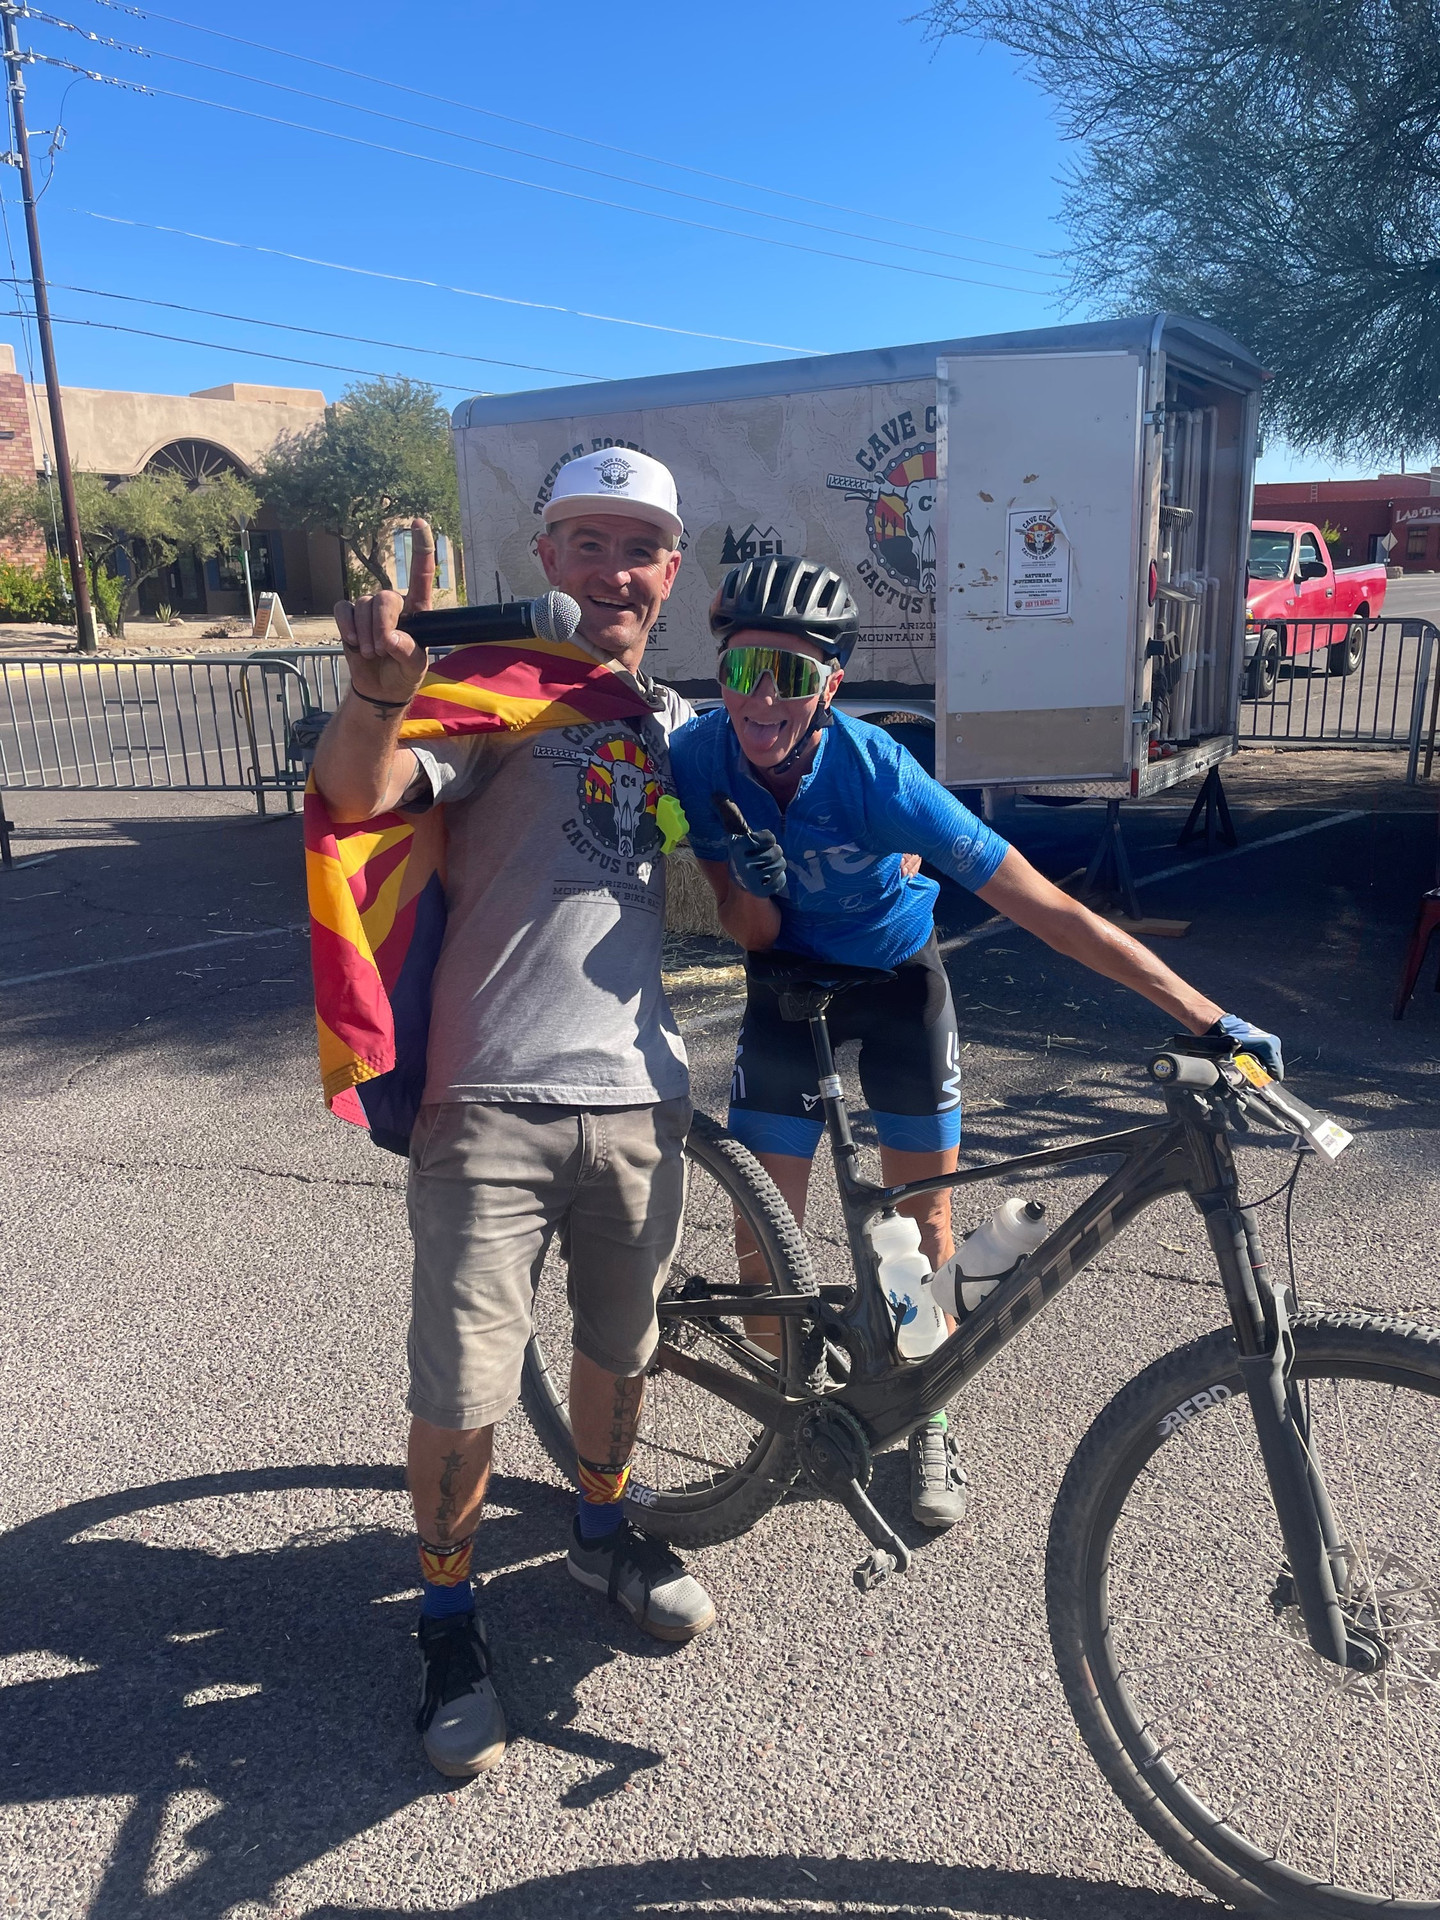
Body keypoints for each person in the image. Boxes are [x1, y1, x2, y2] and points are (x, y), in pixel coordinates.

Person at [668, 554, 1283, 1529]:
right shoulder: (700, 760)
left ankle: (928, 1415)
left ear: (830, 684)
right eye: (744, 669)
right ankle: (791, 1419)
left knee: (922, 1233)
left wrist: (1206, 1016)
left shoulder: (877, 773)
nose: (762, 698)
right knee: (762, 1240)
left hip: (898, 984)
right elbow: (749, 932)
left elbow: (1044, 908)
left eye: (790, 673)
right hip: (785, 985)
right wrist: (744, 881)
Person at [312, 450, 714, 1782]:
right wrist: (378, 694)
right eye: (587, 542)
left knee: (623, 1347)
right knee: (465, 1387)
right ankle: (446, 1619)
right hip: (488, 1100)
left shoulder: (671, 720)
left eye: (639, 547)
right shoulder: (498, 692)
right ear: (545, 559)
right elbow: (359, 798)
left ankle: (601, 1530)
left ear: (670, 570)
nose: (614, 570)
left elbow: (711, 880)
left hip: (643, 1096)